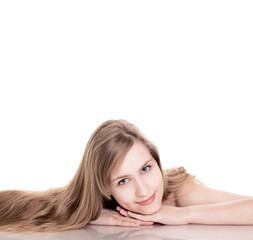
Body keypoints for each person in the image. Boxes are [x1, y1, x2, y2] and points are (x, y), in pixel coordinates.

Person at [0, 119, 252, 232]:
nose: (143, 190)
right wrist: (90, 214)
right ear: (104, 188)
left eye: (146, 168)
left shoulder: (180, 191)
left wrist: (182, 214)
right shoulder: (99, 201)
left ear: (156, 160)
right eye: (123, 180)